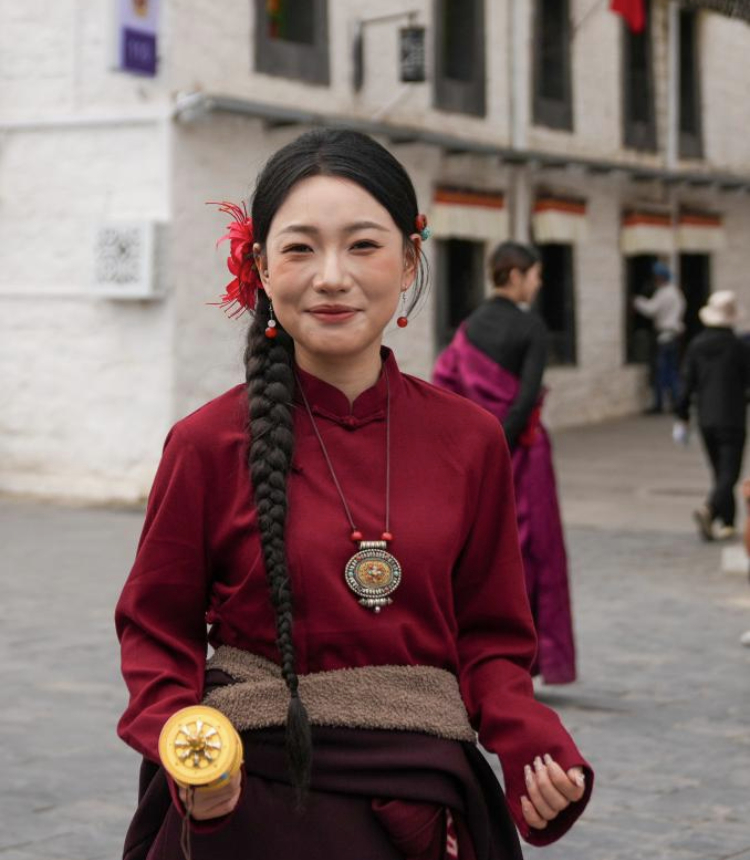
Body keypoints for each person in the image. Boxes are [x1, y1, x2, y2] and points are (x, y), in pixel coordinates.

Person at [115, 131, 592, 859]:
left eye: (363, 246)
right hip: (251, 806)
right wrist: (187, 749)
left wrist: (533, 744)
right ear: (262, 270)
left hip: (424, 808)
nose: (331, 276)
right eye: (301, 248)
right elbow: (156, 630)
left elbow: (493, 640)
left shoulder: (470, 440)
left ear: (408, 263)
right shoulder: (208, 444)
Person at [432, 242, 576, 687]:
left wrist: (476, 445)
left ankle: (472, 653)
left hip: (476, 454)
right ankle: (529, 660)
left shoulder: (469, 326)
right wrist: (503, 440)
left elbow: (445, 385)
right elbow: (528, 395)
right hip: (523, 454)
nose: (538, 283)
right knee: (534, 551)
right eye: (534, 275)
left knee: (479, 550)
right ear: (514, 276)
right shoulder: (530, 326)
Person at [674, 291, 750, 541]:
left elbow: (687, 383)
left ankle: (727, 522)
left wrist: (682, 415)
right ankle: (710, 509)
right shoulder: (738, 346)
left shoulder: (697, 345)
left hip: (706, 416)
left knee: (720, 471)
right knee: (730, 472)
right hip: (732, 417)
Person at [633, 262, 686, 414]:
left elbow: (651, 309)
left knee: (662, 371)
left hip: (665, 335)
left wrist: (637, 301)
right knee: (672, 370)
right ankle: (676, 402)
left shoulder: (664, 293)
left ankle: (660, 404)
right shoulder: (676, 292)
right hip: (674, 334)